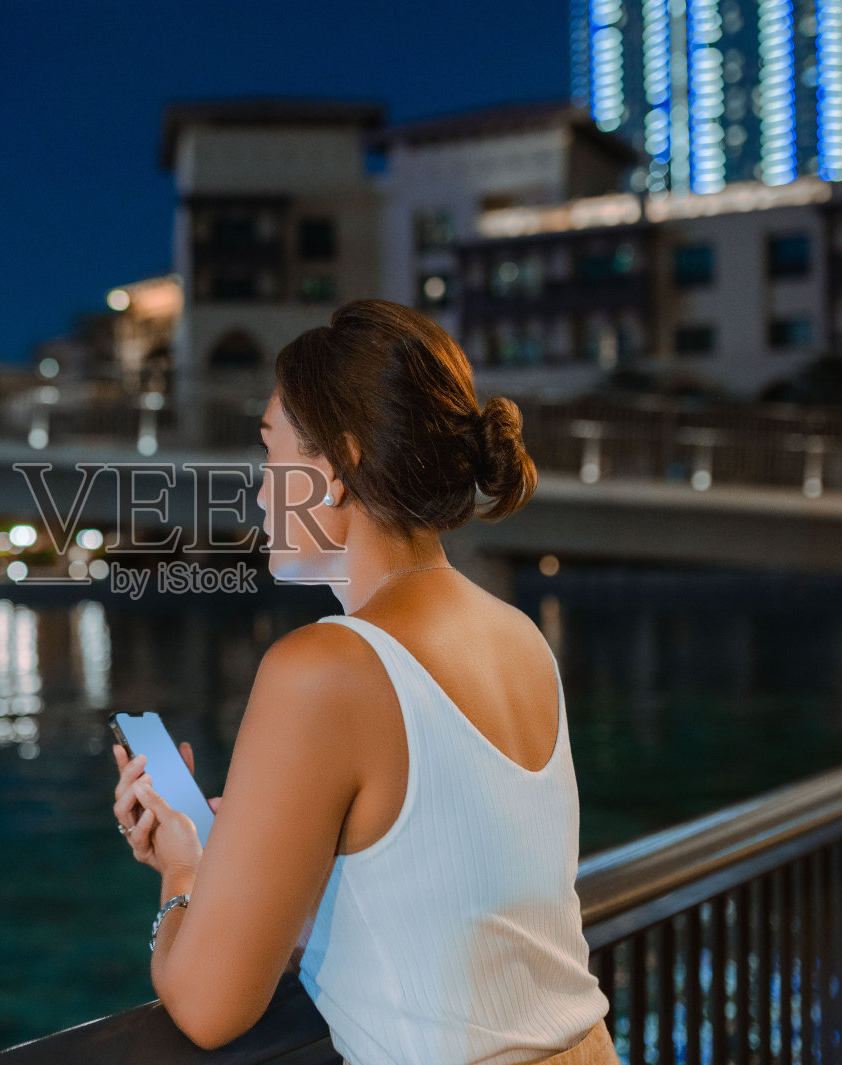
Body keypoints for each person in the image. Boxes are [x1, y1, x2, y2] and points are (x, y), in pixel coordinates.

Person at [111, 299, 620, 1064]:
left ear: (338, 469)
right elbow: (439, 891)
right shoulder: (519, 638)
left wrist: (185, 871)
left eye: (272, 453)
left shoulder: (322, 668)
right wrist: (261, 861)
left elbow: (208, 1007)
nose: (257, 489)